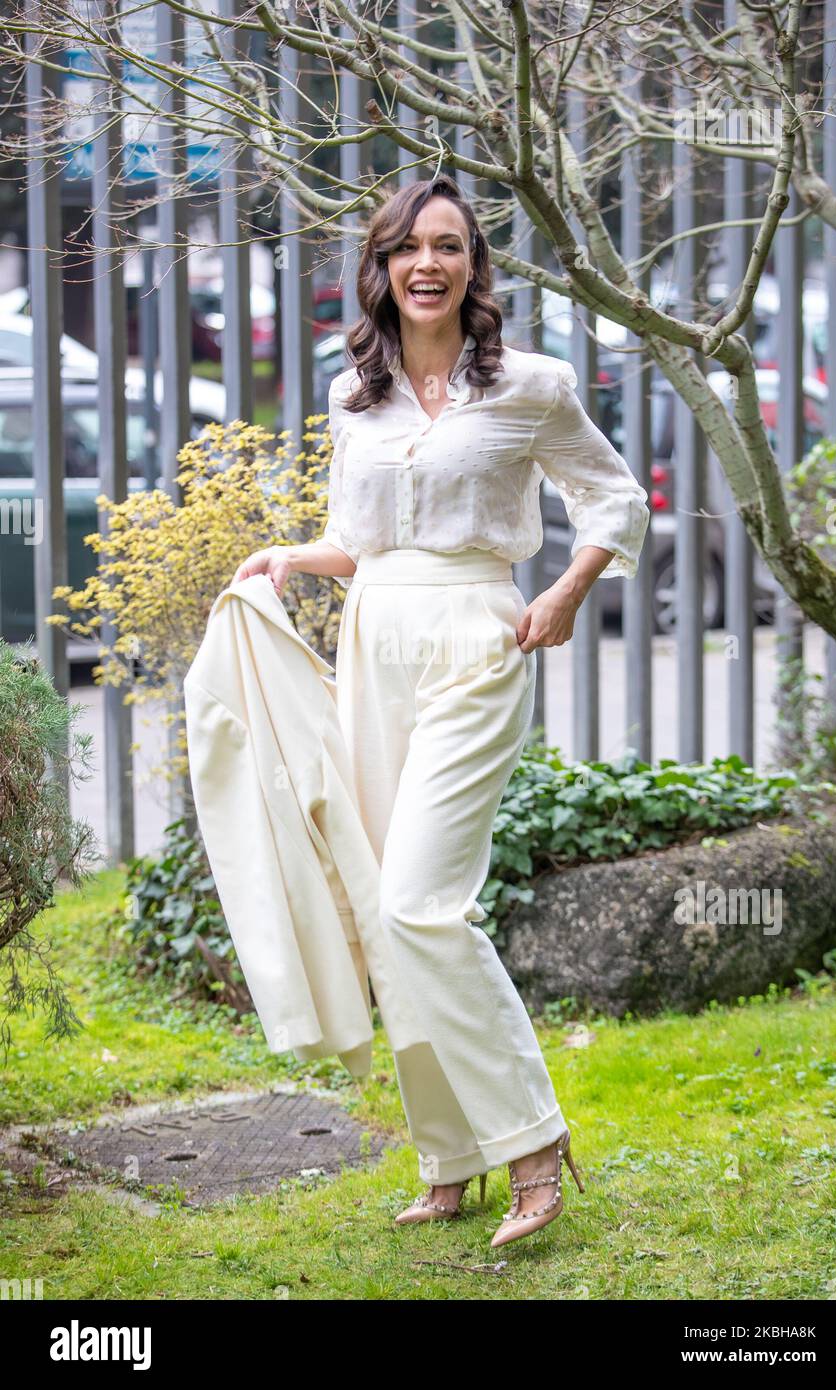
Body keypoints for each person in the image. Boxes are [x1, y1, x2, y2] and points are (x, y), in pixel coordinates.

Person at [232, 173, 650, 1248]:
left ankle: (531, 1143)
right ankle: (445, 1159)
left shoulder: (531, 385)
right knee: (387, 909)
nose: (428, 264)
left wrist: (562, 593)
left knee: (422, 900)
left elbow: (614, 497)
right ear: (379, 269)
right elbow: (360, 539)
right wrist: (288, 557)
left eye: (449, 246)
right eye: (408, 248)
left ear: (473, 267)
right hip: (374, 634)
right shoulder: (351, 395)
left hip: (476, 636)